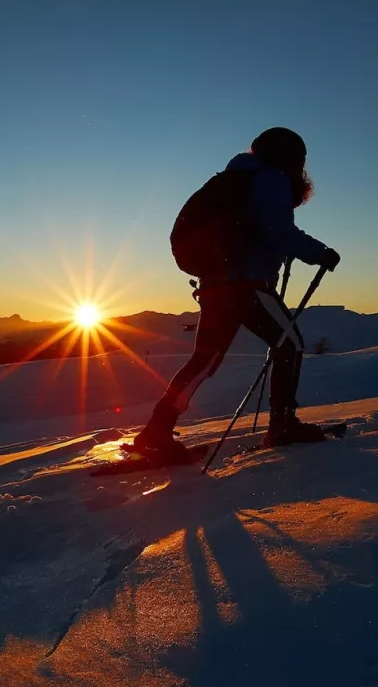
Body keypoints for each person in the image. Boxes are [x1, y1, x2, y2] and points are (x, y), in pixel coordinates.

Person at [129, 127, 341, 461]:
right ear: (290, 158)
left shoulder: (234, 178)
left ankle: (156, 431)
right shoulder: (270, 179)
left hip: (215, 285)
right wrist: (321, 253)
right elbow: (280, 232)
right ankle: (283, 425)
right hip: (246, 285)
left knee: (204, 360)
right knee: (290, 343)